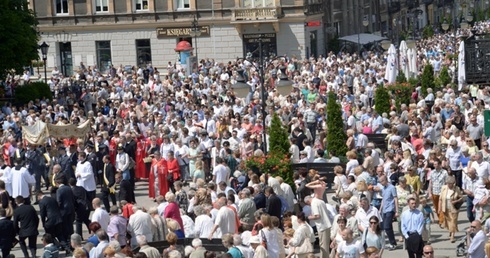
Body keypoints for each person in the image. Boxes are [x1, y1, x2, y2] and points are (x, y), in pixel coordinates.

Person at [306, 179, 333, 257]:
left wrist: (309, 217)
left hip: (323, 226)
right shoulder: (321, 201)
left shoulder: (314, 203)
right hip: (326, 225)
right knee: (325, 246)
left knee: (323, 247)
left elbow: (317, 216)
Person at [375, 175, 398, 250]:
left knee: (387, 226)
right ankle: (387, 243)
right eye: (380, 181)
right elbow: (384, 199)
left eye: (382, 181)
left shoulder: (392, 187)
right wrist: (380, 209)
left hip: (390, 209)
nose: (381, 183)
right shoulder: (383, 189)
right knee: (383, 227)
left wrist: (396, 210)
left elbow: (395, 198)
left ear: (385, 180)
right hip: (384, 209)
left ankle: (393, 243)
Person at [438, 176, 463, 242]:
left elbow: (461, 198)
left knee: (453, 221)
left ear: (453, 183)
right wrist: (439, 208)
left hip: (454, 208)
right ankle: (450, 231)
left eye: (450, 183)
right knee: (448, 221)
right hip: (445, 208)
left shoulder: (456, 188)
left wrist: (456, 201)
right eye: (448, 183)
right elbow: (440, 199)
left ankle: (452, 236)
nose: (449, 185)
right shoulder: (444, 188)